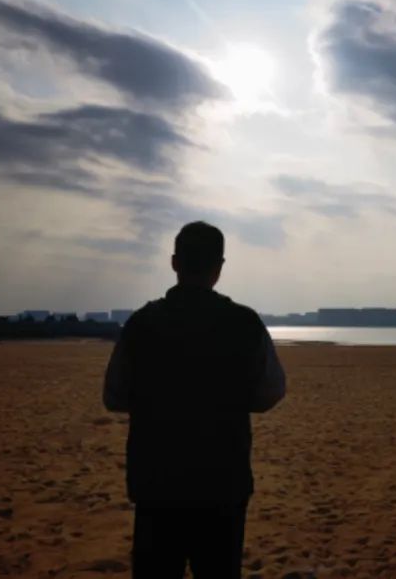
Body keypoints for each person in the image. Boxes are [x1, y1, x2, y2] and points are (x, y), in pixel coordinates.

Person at [103, 221, 286, 578]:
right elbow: (270, 392)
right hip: (222, 484)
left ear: (175, 263)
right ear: (219, 267)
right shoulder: (245, 323)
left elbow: (114, 395)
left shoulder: (141, 324)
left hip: (156, 485)